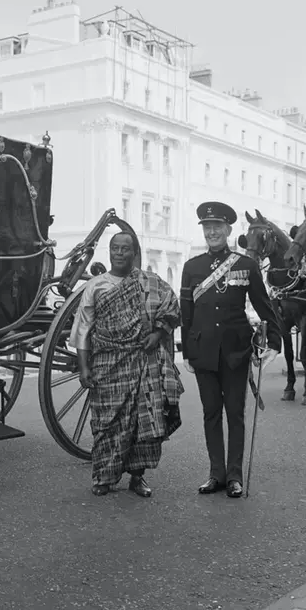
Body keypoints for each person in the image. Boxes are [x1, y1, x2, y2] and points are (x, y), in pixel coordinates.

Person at [70, 231, 184, 498]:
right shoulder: (95, 286)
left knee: (142, 423)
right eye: (115, 248)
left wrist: (157, 334)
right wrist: (84, 367)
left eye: (125, 249)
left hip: (143, 362)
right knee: (106, 422)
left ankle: (137, 477)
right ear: (109, 252)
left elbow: (172, 309)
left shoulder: (151, 283)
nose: (119, 253)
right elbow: (83, 329)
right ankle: (104, 477)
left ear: (135, 253)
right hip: (108, 364)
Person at [180, 201, 281, 499]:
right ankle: (216, 474)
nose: (212, 232)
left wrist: (275, 340)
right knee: (211, 413)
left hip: (236, 352)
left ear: (228, 230)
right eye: (207, 227)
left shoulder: (246, 265)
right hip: (203, 352)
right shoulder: (191, 267)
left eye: (217, 227)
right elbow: (187, 312)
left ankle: (234, 476)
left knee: (234, 414)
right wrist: (186, 351)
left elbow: (264, 306)